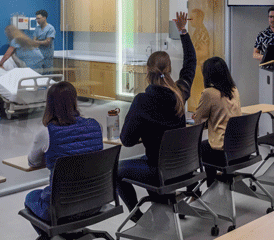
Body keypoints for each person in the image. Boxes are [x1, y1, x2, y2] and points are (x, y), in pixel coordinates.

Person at [116, 12, 195, 222]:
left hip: (160, 170)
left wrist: (145, 131)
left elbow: (127, 140)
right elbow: (191, 64)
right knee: (147, 161)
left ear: (147, 71)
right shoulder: (180, 93)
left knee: (117, 170)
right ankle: (165, 203)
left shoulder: (142, 101)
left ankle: (138, 218)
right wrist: (183, 31)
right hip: (185, 167)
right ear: (169, 69)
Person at [24, 81, 103, 233]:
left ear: (49, 104)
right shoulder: (95, 126)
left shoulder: (46, 133)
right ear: (75, 101)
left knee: (31, 197)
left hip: (62, 208)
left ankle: (55, 237)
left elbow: (32, 162)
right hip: (95, 202)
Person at [191, 57, 241, 188]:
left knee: (195, 149)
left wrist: (199, 116)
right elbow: (223, 115)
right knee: (206, 147)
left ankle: (206, 187)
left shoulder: (209, 93)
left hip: (222, 149)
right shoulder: (234, 90)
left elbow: (198, 121)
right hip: (239, 147)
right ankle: (215, 182)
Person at [33, 10, 56, 74]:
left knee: (47, 75)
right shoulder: (37, 28)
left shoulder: (50, 28)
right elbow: (33, 41)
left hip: (47, 57)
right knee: (38, 75)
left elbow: (47, 43)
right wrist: (41, 41)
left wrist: (37, 41)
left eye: (39, 18)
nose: (37, 20)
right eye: (36, 19)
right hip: (38, 56)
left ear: (44, 18)